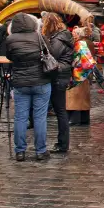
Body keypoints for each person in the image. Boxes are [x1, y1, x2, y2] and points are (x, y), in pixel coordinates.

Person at [5, 13, 52, 161]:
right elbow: (49, 52)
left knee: (20, 117)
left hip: (20, 82)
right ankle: (40, 150)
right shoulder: (39, 37)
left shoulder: (10, 39)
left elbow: (9, 57)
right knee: (40, 117)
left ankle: (20, 151)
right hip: (41, 81)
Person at [42, 13, 73, 153]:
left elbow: (52, 56)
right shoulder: (63, 35)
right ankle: (62, 143)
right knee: (60, 110)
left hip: (59, 75)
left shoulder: (58, 38)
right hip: (63, 73)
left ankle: (63, 144)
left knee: (60, 110)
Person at [67, 26, 93, 126]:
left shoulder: (80, 43)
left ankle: (75, 119)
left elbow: (76, 57)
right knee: (83, 96)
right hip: (85, 73)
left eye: (74, 33)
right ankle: (84, 118)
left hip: (78, 72)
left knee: (75, 97)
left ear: (78, 35)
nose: (73, 35)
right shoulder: (87, 42)